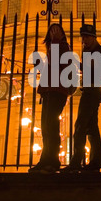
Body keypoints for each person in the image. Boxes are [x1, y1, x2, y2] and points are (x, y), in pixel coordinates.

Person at [61, 24, 101, 173]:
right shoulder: (87, 51)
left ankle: (76, 162)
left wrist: (83, 65)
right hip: (88, 90)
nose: (84, 40)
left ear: (93, 37)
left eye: (86, 37)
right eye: (83, 37)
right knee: (91, 127)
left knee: (80, 126)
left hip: (93, 91)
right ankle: (95, 162)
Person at [29, 23, 71, 174]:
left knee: (51, 127)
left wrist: (55, 42)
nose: (54, 33)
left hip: (57, 91)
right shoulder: (53, 48)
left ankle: (52, 161)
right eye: (52, 31)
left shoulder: (64, 47)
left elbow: (55, 64)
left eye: (57, 30)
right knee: (46, 127)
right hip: (49, 91)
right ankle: (45, 159)